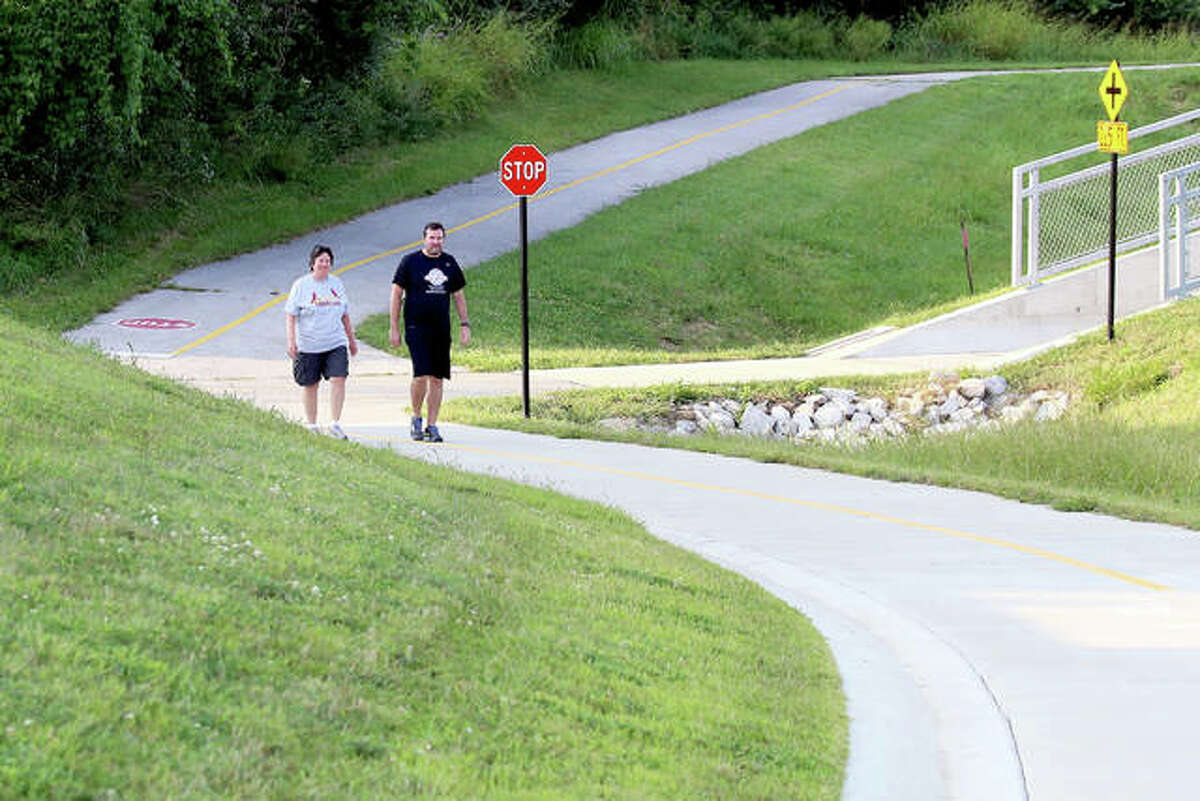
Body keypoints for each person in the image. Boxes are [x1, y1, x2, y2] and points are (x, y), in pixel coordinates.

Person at [389, 222, 470, 443]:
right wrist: (394, 327)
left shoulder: (449, 263)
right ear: (424, 239)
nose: (436, 242)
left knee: (437, 378)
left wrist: (465, 325)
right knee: (421, 374)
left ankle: (432, 425)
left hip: (441, 328)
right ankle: (416, 417)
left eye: (439, 238)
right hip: (416, 326)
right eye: (432, 238)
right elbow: (396, 295)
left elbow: (459, 296)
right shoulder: (410, 262)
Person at [285, 244, 358, 439]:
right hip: (309, 344)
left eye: (328, 261)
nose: (324, 264)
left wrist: (351, 340)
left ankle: (334, 423)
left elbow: (345, 315)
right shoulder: (301, 286)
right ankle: (312, 424)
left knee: (339, 378)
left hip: (335, 342)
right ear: (312, 264)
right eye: (321, 261)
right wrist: (291, 341)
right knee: (311, 384)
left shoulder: (337, 284)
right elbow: (291, 315)